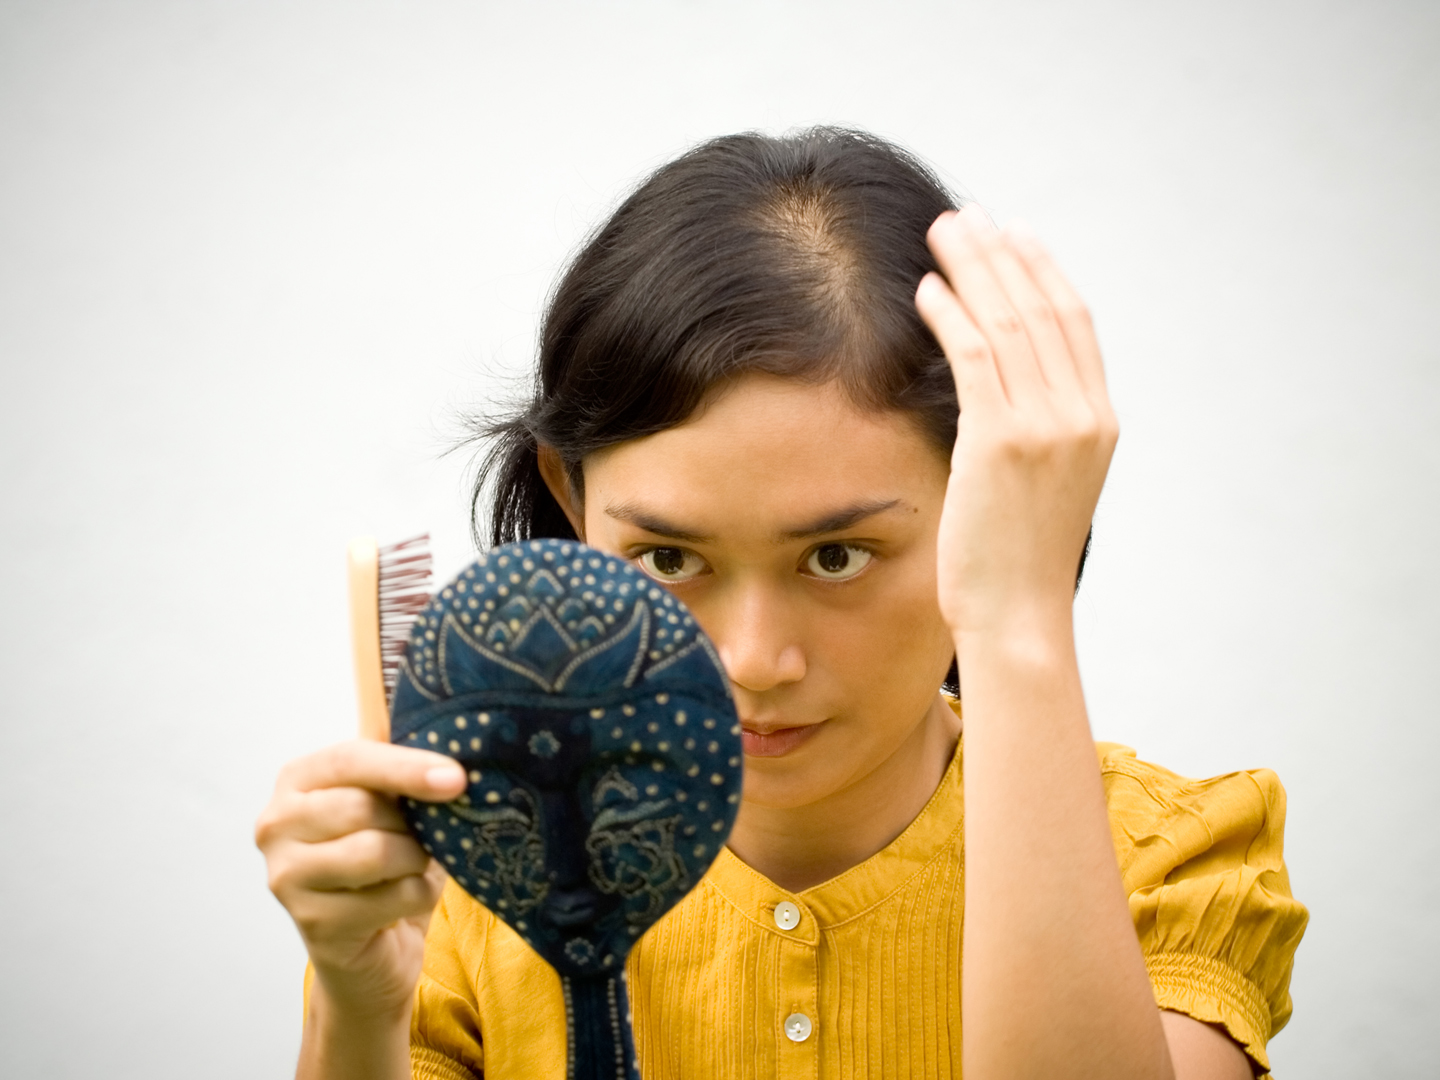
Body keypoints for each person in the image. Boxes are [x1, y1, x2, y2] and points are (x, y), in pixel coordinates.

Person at [255, 128, 1307, 1080]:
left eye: (837, 556)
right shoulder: (471, 882)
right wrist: (359, 1010)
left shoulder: (1166, 857)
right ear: (574, 501)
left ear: (982, 507)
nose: (753, 661)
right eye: (670, 558)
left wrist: (1022, 614)